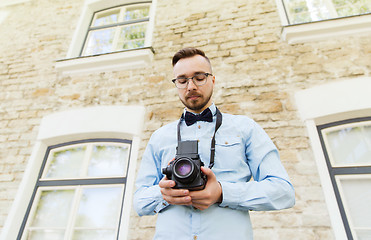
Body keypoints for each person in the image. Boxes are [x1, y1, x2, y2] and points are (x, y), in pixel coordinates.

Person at [133, 47, 295, 240]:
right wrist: (164, 193)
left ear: (213, 79)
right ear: (176, 84)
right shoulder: (159, 137)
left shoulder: (245, 128)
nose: (191, 86)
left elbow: (283, 192)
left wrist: (222, 192)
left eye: (199, 77)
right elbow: (139, 202)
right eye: (182, 80)